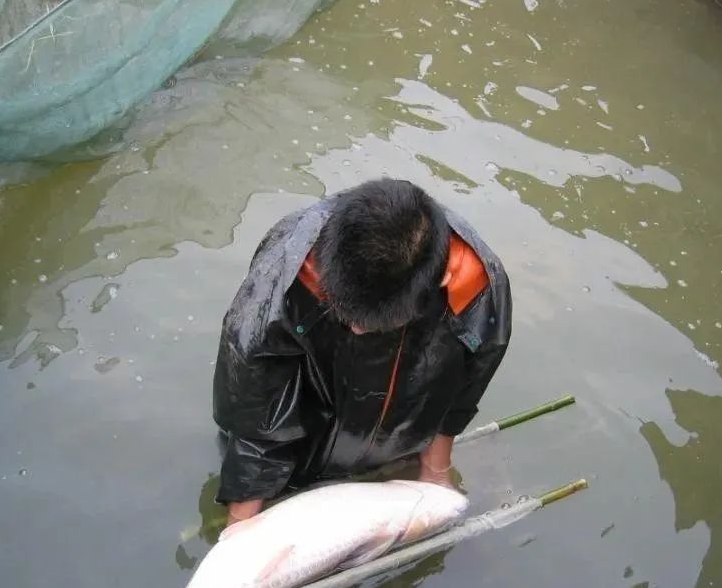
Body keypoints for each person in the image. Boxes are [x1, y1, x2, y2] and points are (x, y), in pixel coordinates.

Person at [211, 178, 512, 525]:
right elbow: (255, 412)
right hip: (306, 444)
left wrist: (435, 470)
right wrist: (241, 525)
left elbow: (464, 390)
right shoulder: (285, 277)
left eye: (369, 323)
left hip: (400, 436)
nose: (355, 329)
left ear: (437, 283)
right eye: (344, 315)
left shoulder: (475, 284)